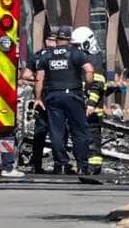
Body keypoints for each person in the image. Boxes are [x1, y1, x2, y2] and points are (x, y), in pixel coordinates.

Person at [34, 25, 94, 175]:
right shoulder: (76, 53)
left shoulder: (46, 55)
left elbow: (39, 79)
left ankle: (61, 163)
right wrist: (87, 86)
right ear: (69, 38)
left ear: (57, 38)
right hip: (73, 95)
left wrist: (37, 98)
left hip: (53, 96)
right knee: (79, 131)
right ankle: (82, 165)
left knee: (56, 132)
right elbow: (89, 70)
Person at [71, 26, 107, 175]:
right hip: (80, 103)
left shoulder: (94, 59)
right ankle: (84, 165)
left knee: (92, 137)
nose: (75, 49)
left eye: (77, 46)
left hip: (91, 107)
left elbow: (97, 85)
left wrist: (91, 104)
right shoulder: (83, 58)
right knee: (80, 136)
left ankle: (93, 167)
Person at [22, 28, 58, 173]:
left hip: (41, 98)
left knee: (40, 132)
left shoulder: (37, 56)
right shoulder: (60, 56)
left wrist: (38, 78)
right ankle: (59, 164)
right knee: (58, 132)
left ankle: (36, 164)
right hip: (55, 97)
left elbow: (26, 75)